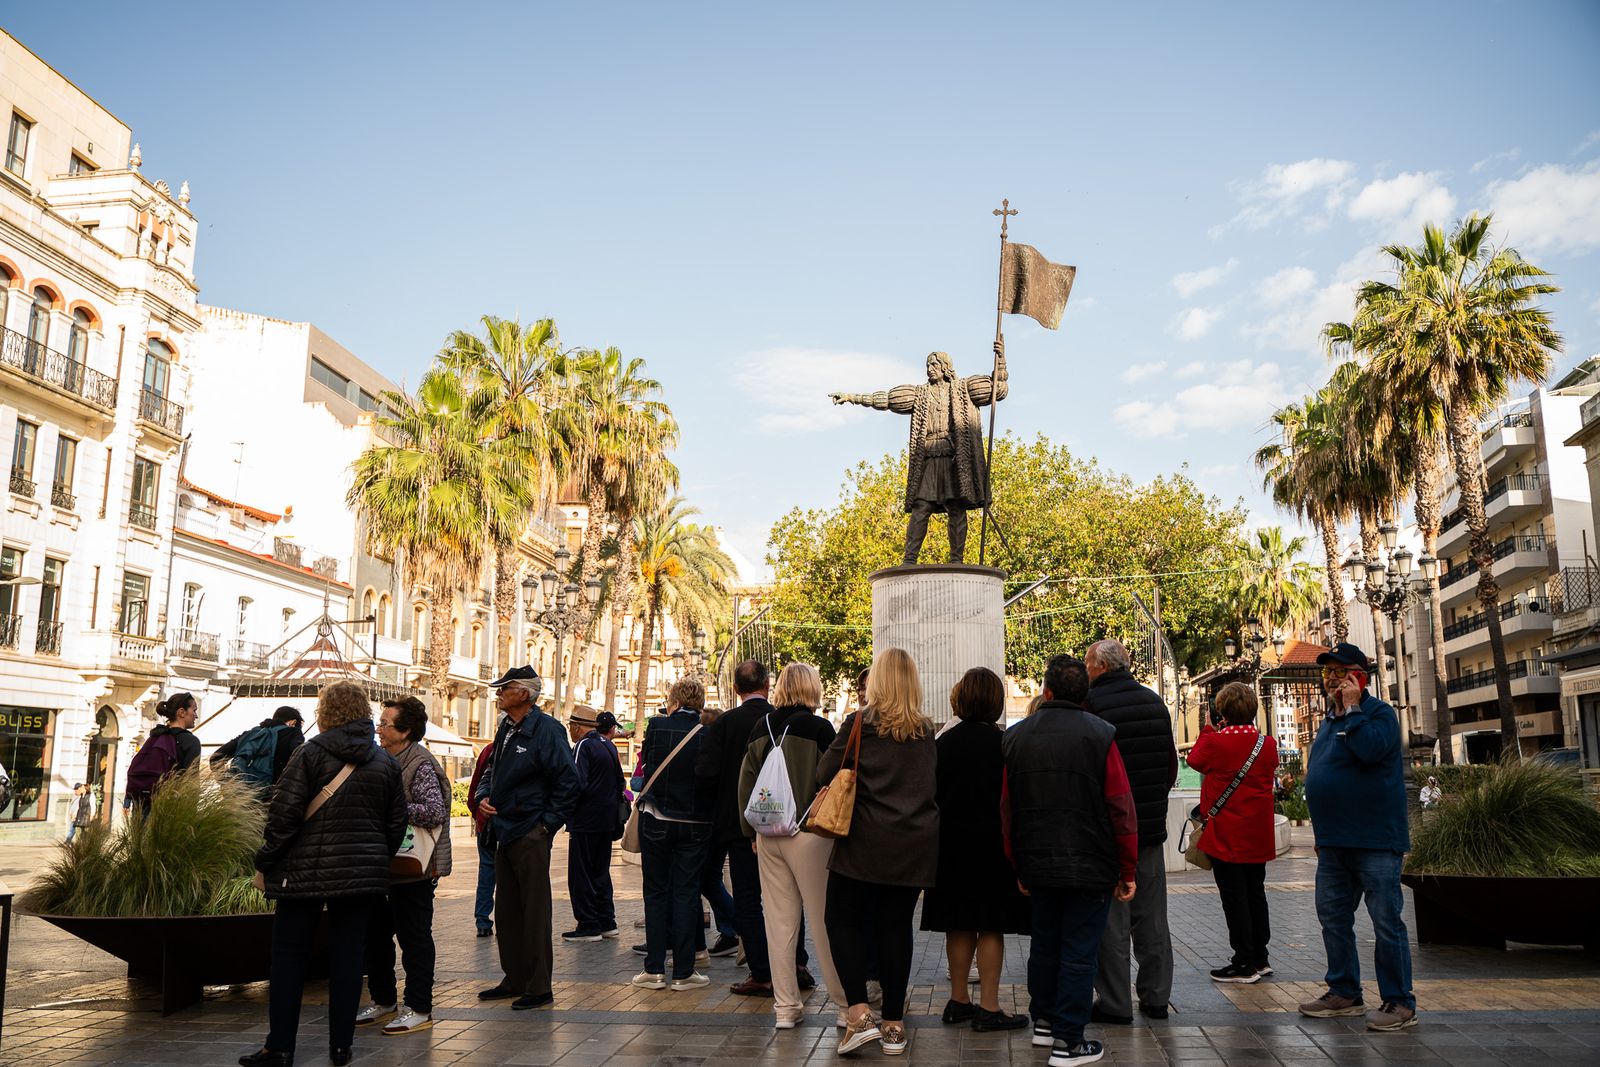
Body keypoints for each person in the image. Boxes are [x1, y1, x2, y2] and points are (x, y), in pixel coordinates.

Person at [239, 680, 405, 1067]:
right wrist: (372, 858)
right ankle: (341, 1047)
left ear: (326, 712)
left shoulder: (309, 754)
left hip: (303, 875)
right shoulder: (384, 762)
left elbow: (284, 816)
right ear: (364, 711)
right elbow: (396, 824)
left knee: (289, 957)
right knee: (348, 959)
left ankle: (279, 1047)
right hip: (360, 878)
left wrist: (266, 860)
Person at [1003, 654, 1138, 1067]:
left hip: (1038, 862)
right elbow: (1120, 806)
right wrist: (1127, 868)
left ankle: (1044, 1023)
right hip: (1090, 863)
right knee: (1080, 952)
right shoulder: (1100, 735)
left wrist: (1018, 863)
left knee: (1045, 944)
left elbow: (1007, 809)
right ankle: (1069, 1042)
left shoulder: (1017, 736)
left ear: (1046, 691)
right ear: (1085, 693)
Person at [820, 647, 939, 1057]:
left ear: (878, 681)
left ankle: (858, 1014)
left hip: (863, 843)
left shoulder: (860, 724)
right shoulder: (925, 729)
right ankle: (893, 1026)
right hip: (913, 845)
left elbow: (823, 774)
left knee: (841, 920)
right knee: (895, 929)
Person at [1300, 642, 1418, 1032]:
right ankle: (1344, 992)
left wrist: (1352, 710)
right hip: (1334, 843)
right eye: (1326, 673)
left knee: (1386, 922)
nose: (1330, 679)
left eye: (1339, 672)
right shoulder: (1329, 721)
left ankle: (1399, 1002)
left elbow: (1369, 752)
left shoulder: (1379, 715)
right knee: (1333, 918)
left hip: (1375, 841)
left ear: (1359, 677)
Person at [828, 340, 1008, 564]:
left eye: (933, 365)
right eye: (928, 365)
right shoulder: (919, 394)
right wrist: (853, 397)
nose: (929, 369)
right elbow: (886, 400)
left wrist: (1000, 364)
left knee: (956, 508)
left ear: (945, 367)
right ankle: (909, 559)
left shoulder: (964, 389)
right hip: (930, 460)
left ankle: (956, 560)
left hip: (955, 460)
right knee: (921, 507)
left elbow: (996, 391)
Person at [735, 662, 843, 1029]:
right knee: (824, 921)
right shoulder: (820, 729)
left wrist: (751, 834)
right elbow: (834, 779)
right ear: (812, 688)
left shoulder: (759, 727)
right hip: (809, 835)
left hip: (768, 835)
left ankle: (785, 1008)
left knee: (779, 924)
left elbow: (745, 782)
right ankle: (845, 1007)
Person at [922, 667, 1030, 1032]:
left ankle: (958, 1000)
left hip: (950, 848)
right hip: (993, 848)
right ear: (996, 703)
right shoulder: (1005, 745)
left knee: (959, 923)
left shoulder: (942, 744)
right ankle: (989, 1006)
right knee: (991, 926)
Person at [696, 660, 810, 996]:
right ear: (767, 683)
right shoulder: (783, 721)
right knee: (791, 896)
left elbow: (705, 773)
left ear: (735, 688)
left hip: (739, 826)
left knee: (748, 898)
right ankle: (797, 963)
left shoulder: (726, 723)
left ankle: (762, 972)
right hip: (787, 824)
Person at [1083, 639, 1178, 1024]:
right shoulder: (1155, 703)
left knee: (1112, 922)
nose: (1086, 670)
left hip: (1108, 831)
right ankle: (1156, 999)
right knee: (1152, 917)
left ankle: (1115, 1003)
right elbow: (1170, 766)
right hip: (1149, 830)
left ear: (1101, 667)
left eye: (1088, 664)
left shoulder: (1092, 706)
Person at [476, 666, 580, 1011]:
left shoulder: (547, 729)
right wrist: (484, 796)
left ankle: (538, 987)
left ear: (524, 693)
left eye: (505, 688)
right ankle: (514, 978)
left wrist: (546, 826)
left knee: (534, 912)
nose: (499, 693)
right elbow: (493, 770)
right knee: (506, 911)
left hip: (530, 831)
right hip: (503, 829)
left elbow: (569, 782)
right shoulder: (506, 726)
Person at [355, 697, 452, 1036]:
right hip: (382, 864)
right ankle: (384, 1001)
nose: (378, 729)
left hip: (412, 868)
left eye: (385, 724)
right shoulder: (384, 757)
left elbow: (434, 811)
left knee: (414, 939)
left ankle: (419, 1008)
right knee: (376, 937)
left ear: (406, 730)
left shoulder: (420, 762)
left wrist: (391, 807)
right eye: (379, 723)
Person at [1186, 682, 1280, 984]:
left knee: (1234, 897)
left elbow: (1194, 760)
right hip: (1257, 834)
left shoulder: (1216, 742)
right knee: (1256, 893)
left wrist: (1208, 730)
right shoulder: (1267, 744)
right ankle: (1260, 957)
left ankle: (1243, 962)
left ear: (1221, 711)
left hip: (1226, 834)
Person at [633, 676, 717, 991]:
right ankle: (683, 972)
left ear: (675, 701)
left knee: (655, 893)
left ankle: (653, 969)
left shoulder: (657, 726)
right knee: (686, 893)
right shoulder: (709, 735)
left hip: (656, 820)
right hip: (695, 825)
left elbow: (648, 767)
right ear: (701, 703)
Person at [563, 710, 624, 942]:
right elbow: (620, 781)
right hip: (606, 820)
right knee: (600, 871)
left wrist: (566, 810)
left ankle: (588, 924)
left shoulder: (583, 746)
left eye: (571, 725)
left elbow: (576, 781)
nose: (570, 729)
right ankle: (607, 921)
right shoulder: (608, 745)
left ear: (578, 726)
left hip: (585, 820)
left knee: (581, 873)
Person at [127, 692, 202, 808]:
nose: (196, 716)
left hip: (143, 804)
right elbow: (191, 781)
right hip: (171, 808)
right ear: (182, 712)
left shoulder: (156, 736)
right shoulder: (191, 741)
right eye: (194, 710)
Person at [210, 706, 305, 793]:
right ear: (293, 722)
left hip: (240, 800)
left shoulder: (251, 734)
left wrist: (228, 783)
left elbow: (215, 758)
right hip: (271, 800)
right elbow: (301, 763)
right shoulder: (293, 733)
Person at [467, 730, 496, 937]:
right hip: (508, 823)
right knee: (509, 874)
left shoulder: (488, 750)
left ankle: (483, 920)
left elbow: (475, 784)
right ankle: (504, 919)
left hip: (485, 822)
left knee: (486, 871)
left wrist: (477, 812)